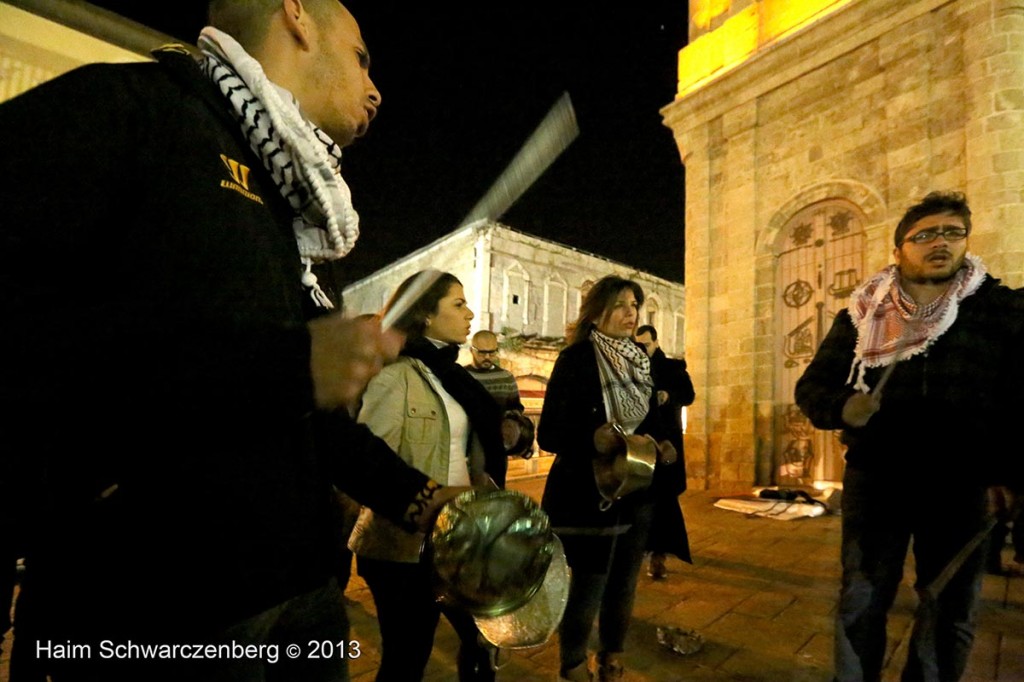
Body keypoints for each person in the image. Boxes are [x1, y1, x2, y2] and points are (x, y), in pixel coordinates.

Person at [0, 2, 466, 680]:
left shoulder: (292, 212)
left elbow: (302, 420)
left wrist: (422, 500)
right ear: (298, 16)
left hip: (300, 601)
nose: (375, 89)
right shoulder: (130, 113)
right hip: (153, 619)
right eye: (362, 56)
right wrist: (287, 368)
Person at [794, 191, 1023, 681]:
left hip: (962, 483)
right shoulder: (862, 315)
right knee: (862, 599)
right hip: (878, 480)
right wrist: (843, 407)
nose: (939, 242)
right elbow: (813, 386)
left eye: (952, 232)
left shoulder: (1000, 310)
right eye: (925, 234)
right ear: (899, 250)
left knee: (948, 607)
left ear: (965, 240)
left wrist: (1009, 473)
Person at [348, 272, 505, 682]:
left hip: (459, 537)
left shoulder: (452, 375)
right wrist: (426, 501)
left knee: (485, 640)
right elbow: (370, 461)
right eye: (457, 304)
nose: (470, 313)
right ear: (426, 316)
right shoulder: (394, 374)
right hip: (404, 548)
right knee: (407, 659)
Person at [538, 275, 677, 682]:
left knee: (624, 582)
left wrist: (663, 443)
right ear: (597, 312)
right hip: (588, 492)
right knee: (590, 583)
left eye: (634, 304)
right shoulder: (576, 359)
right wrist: (590, 439)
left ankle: (612, 655)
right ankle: (573, 662)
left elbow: (652, 421)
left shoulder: (641, 360)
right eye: (620, 305)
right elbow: (548, 432)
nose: (630, 312)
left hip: (637, 488)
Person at [634, 324, 695, 580]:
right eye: (638, 345)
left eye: (646, 345)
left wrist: (668, 396)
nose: (642, 350)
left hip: (666, 443)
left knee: (664, 500)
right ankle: (641, 549)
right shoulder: (632, 368)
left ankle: (659, 554)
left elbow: (688, 395)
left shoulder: (672, 368)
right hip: (640, 443)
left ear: (656, 343)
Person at [465, 329, 535, 459]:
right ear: (472, 350)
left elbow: (516, 408)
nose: (487, 357)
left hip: (499, 447)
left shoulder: (506, 378)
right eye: (482, 353)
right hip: (467, 446)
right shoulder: (461, 376)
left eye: (492, 353)